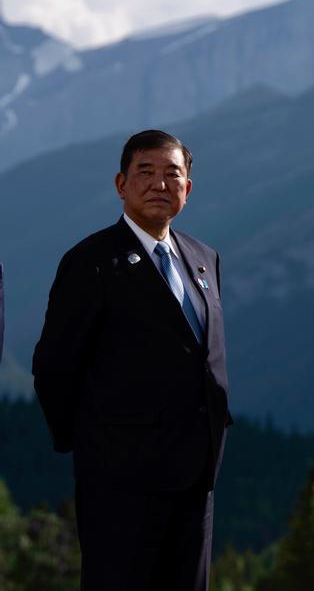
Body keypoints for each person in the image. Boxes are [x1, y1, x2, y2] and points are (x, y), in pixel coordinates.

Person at [32, 129, 230, 590]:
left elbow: (206, 356)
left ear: (188, 188)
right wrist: (90, 445)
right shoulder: (91, 260)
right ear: (121, 184)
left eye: (172, 174)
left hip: (196, 475)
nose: (160, 184)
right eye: (146, 172)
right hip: (119, 479)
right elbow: (54, 366)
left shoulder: (204, 257)